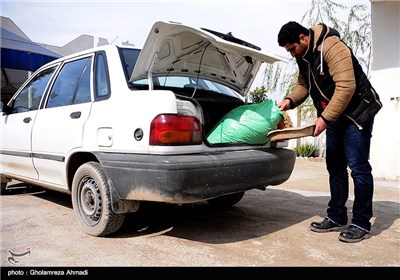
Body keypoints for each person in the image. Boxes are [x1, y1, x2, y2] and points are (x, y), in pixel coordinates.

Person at [277, 21, 382, 243]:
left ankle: (361, 222)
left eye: (292, 48)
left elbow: (346, 86)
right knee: (335, 166)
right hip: (335, 115)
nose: (292, 53)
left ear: (303, 38)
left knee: (358, 167)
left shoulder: (332, 47)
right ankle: (336, 216)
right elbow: (304, 85)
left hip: (356, 113)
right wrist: (289, 100)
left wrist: (324, 118)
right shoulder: (304, 56)